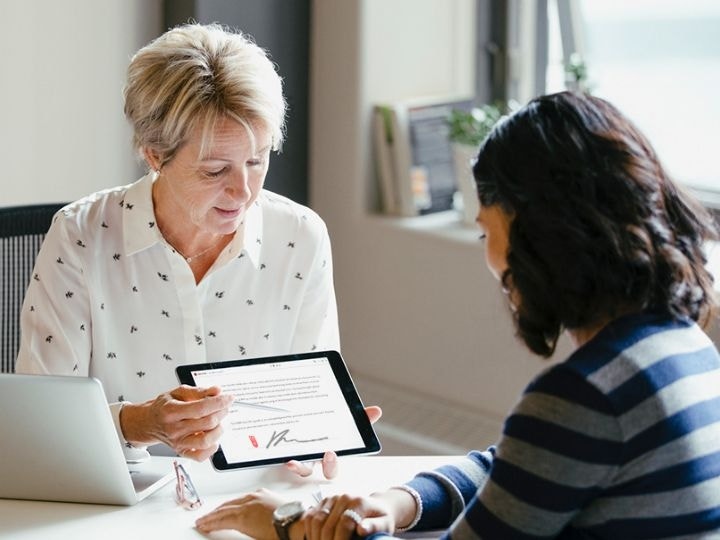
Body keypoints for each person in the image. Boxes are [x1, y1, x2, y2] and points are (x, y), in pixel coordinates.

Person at [195, 91, 720, 538]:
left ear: (538, 238)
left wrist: (289, 523)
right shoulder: (684, 348)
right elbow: (520, 467)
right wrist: (401, 501)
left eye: (486, 232)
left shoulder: (585, 399)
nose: (491, 262)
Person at [15, 22, 379, 476]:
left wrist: (323, 434)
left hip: (250, 498)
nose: (243, 191)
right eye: (214, 171)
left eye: (256, 159)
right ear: (153, 155)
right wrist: (139, 423)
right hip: (117, 498)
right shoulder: (80, 237)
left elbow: (303, 416)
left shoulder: (300, 237)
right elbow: (41, 424)